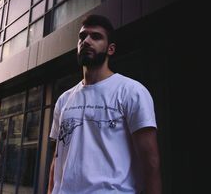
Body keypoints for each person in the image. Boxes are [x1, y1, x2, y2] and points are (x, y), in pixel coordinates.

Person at [48, 14, 161, 194]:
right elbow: (57, 159)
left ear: (110, 49)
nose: (86, 41)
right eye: (82, 37)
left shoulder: (131, 91)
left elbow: (151, 162)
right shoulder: (64, 100)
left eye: (96, 36)